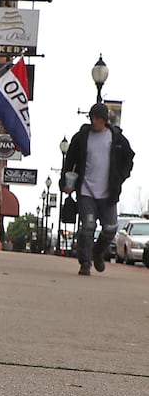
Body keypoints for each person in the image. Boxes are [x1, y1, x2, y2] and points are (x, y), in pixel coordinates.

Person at [62, 102, 135, 275]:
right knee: (87, 226)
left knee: (110, 228)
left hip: (108, 192)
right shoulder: (81, 137)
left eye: (98, 118)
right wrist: (65, 182)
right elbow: (70, 161)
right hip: (86, 190)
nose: (94, 121)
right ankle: (85, 262)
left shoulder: (117, 139)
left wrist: (120, 178)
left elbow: (129, 159)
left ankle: (98, 251)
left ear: (105, 120)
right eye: (92, 118)